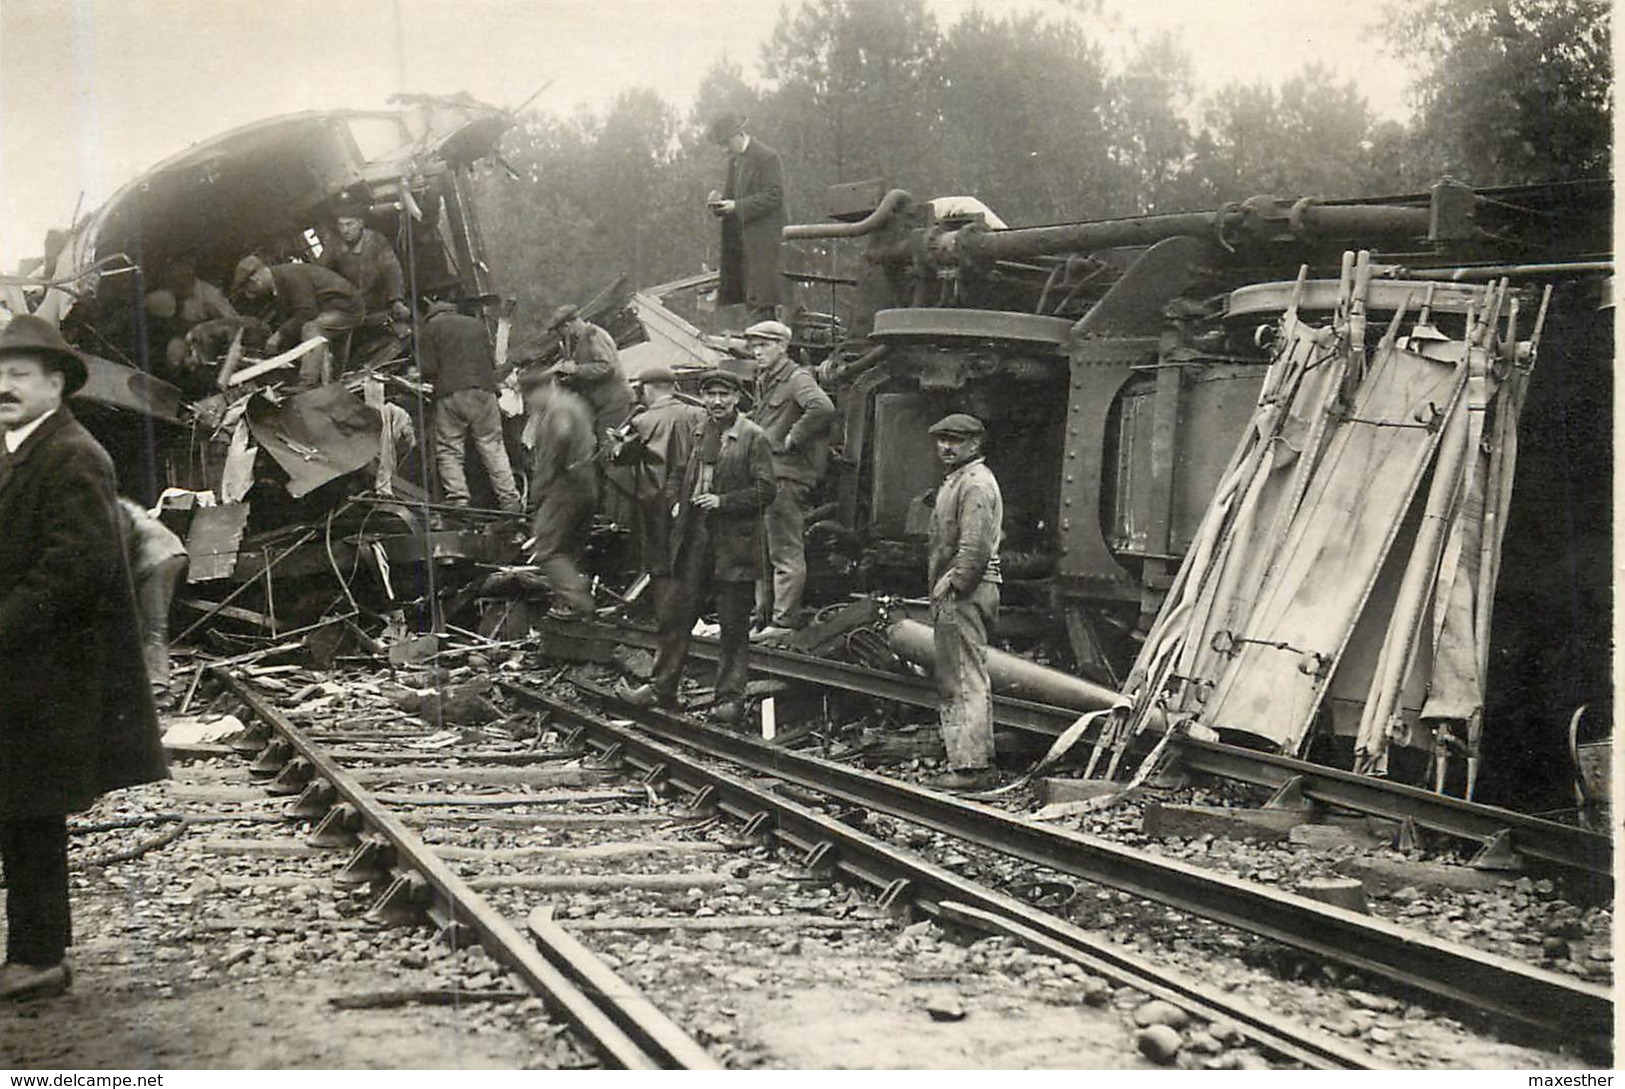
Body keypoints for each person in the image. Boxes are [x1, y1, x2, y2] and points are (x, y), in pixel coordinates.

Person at [0, 315, 168, 1000]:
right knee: (16, 808)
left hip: (47, 671)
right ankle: (38, 952)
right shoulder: (21, 448)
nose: (3, 386)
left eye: (19, 375)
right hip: (21, 665)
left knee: (30, 811)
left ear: (56, 382)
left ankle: (40, 956)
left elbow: (78, 569)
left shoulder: (74, 454)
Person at [621, 369, 775, 725]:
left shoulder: (753, 437)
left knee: (734, 627)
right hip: (693, 541)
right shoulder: (697, 430)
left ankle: (729, 701)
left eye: (724, 394)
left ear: (737, 397)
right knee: (675, 616)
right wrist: (676, 501)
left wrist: (724, 502)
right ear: (703, 398)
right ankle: (661, 688)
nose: (717, 401)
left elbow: (767, 491)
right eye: (710, 395)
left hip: (732, 546)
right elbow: (676, 472)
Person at [924, 413, 1004, 792]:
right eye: (941, 440)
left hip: (966, 590)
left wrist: (955, 583)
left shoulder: (973, 483)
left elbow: (975, 545)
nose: (945, 446)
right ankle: (971, 759)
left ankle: (971, 767)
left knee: (963, 676)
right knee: (961, 674)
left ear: (975, 445)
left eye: (955, 440)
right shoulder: (962, 480)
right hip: (965, 589)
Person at [745, 319, 834, 642]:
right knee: (762, 551)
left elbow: (822, 407)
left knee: (784, 553)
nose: (757, 352)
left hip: (786, 476)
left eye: (764, 345)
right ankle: (762, 620)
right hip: (766, 475)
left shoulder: (797, 378)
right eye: (754, 346)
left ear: (782, 346)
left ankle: (782, 623)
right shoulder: (766, 380)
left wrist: (793, 438)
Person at [417, 300, 522, 513]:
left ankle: (459, 499)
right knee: (493, 446)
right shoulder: (476, 325)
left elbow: (428, 369)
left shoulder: (429, 329)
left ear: (432, 316)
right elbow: (492, 362)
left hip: (453, 393)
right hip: (486, 391)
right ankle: (510, 501)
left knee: (449, 448)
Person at [520, 364, 599, 619]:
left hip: (565, 487)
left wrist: (537, 494)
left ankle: (578, 605)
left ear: (539, 391)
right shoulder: (575, 403)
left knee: (546, 548)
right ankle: (571, 602)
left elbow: (553, 453)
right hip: (587, 484)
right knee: (570, 548)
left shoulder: (557, 412)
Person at [618, 365, 706, 573]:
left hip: (655, 500)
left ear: (647, 389)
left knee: (660, 561)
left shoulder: (641, 421)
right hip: (694, 492)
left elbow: (619, 457)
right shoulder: (699, 414)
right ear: (673, 387)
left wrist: (619, 442)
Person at [228, 255, 364, 388]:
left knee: (311, 328)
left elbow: (307, 312)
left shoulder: (291, 276)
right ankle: (334, 384)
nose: (252, 295)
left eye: (249, 290)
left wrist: (279, 335)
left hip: (346, 308)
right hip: (338, 306)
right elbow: (291, 315)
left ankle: (307, 383)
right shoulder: (279, 281)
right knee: (331, 346)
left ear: (255, 280)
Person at [707, 111, 787, 321]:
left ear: (738, 135)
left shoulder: (767, 157)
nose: (724, 149)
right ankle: (759, 343)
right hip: (742, 243)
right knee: (750, 298)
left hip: (764, 243)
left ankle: (766, 344)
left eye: (725, 143)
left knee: (763, 300)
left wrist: (736, 206)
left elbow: (774, 195)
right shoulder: (735, 161)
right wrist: (720, 205)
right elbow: (732, 197)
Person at [116, 497, 189, 708]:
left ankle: (158, 690)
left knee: (152, 626)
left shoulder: (110, 507)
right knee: (143, 624)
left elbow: (123, 543)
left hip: (159, 558)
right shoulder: (110, 503)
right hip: (158, 557)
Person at [547, 304, 633, 442]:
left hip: (614, 403)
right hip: (603, 404)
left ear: (567, 325)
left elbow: (606, 367)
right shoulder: (582, 340)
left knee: (609, 448)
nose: (561, 336)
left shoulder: (594, 335)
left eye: (560, 331)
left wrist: (575, 369)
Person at [319, 193, 411, 323]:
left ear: (360, 223)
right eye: (341, 225)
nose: (344, 230)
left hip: (382, 303)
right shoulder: (334, 246)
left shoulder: (376, 240)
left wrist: (397, 300)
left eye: (349, 224)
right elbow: (320, 273)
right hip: (353, 307)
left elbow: (392, 271)